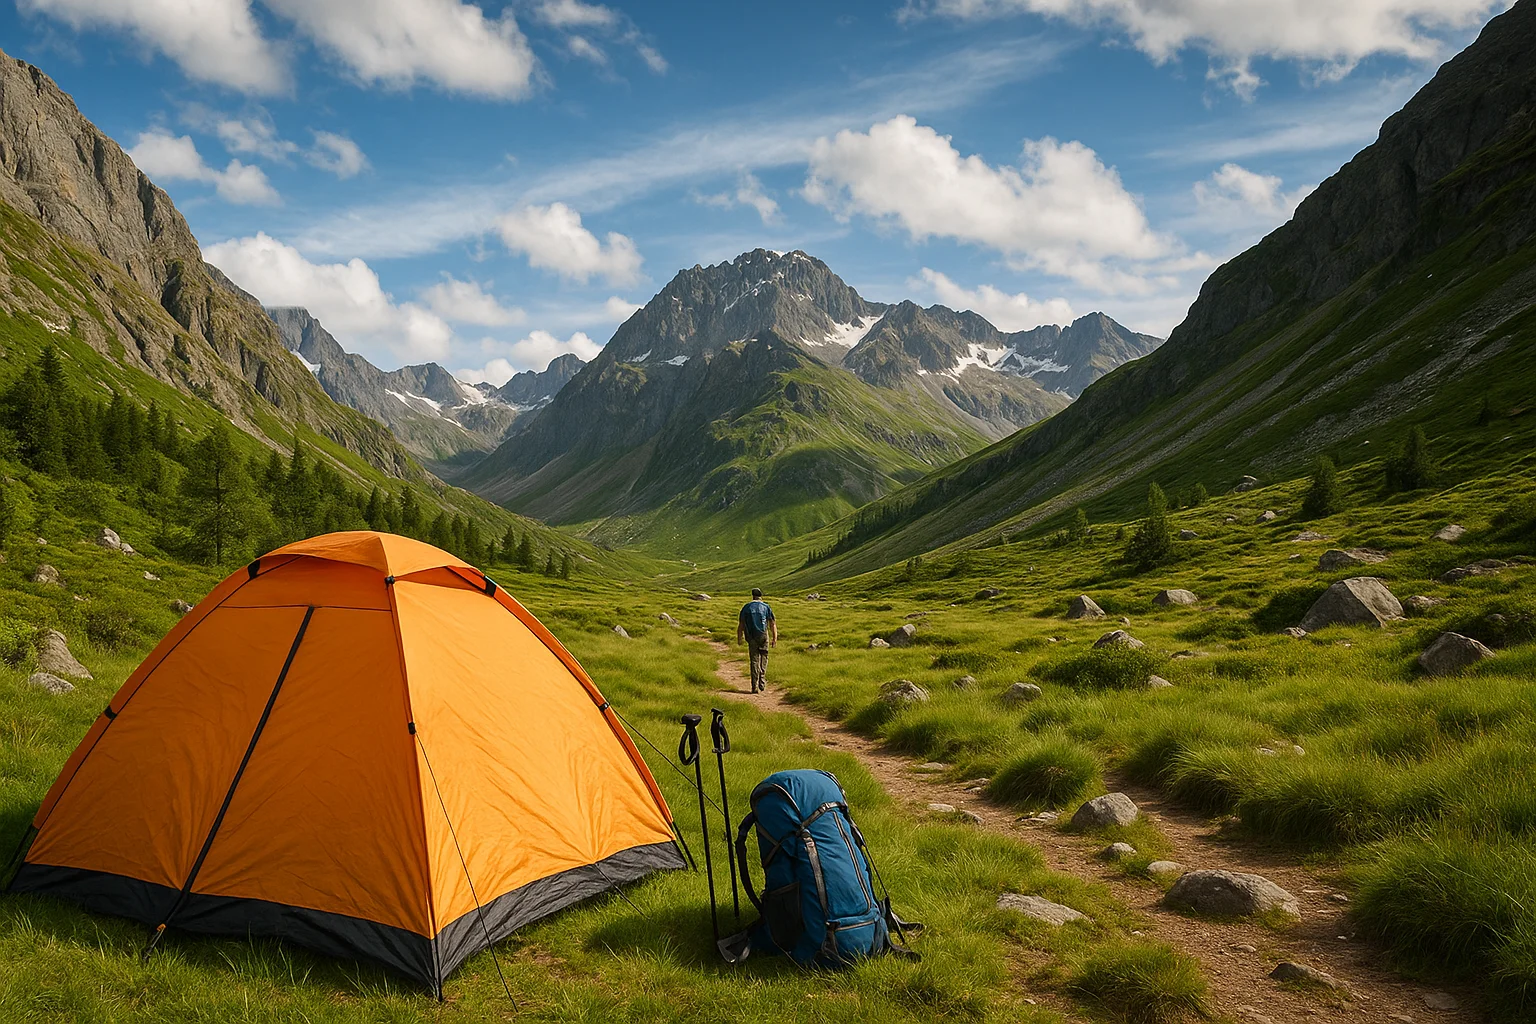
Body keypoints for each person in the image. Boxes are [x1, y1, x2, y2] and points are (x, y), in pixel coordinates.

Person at [736, 588, 777, 693]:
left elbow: (741, 625)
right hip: (763, 635)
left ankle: (754, 686)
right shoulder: (766, 607)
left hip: (751, 636)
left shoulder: (746, 607)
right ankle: (762, 680)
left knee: (754, 660)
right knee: (764, 657)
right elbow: (772, 623)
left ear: (752, 596)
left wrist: (739, 637)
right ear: (761, 596)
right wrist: (774, 638)